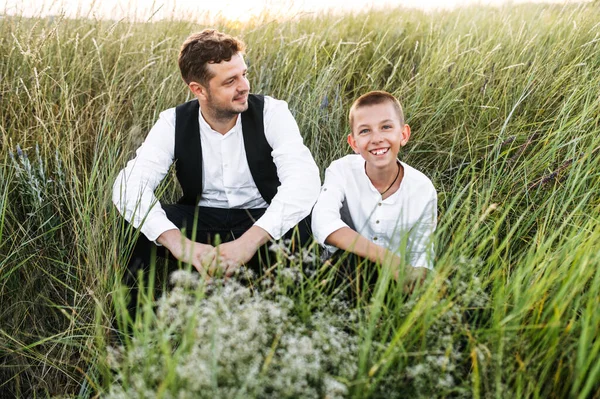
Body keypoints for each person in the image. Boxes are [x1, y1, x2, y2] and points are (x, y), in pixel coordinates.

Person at [112, 29, 321, 316]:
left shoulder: (272, 112)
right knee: (134, 223)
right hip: (202, 223)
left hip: (260, 219)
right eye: (230, 81)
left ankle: (296, 318)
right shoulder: (173, 122)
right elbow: (128, 187)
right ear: (199, 89)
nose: (244, 86)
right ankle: (132, 333)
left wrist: (247, 244)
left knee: (305, 220)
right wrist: (180, 244)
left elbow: (304, 181)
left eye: (244, 74)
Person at [311, 91, 437, 296]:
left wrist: (414, 281)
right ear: (354, 144)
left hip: (396, 282)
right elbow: (322, 222)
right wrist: (387, 259)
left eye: (386, 127)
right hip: (342, 271)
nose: (377, 139)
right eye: (365, 131)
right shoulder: (341, 170)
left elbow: (422, 252)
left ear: (403, 135)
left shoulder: (422, 188)